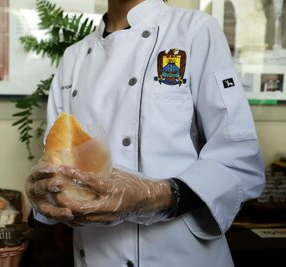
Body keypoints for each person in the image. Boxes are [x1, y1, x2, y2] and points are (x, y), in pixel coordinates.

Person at [26, 0, 266, 266]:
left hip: (178, 256)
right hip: (96, 256)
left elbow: (240, 162)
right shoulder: (74, 57)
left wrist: (157, 196)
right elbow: (59, 167)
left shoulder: (194, 31)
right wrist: (46, 195)